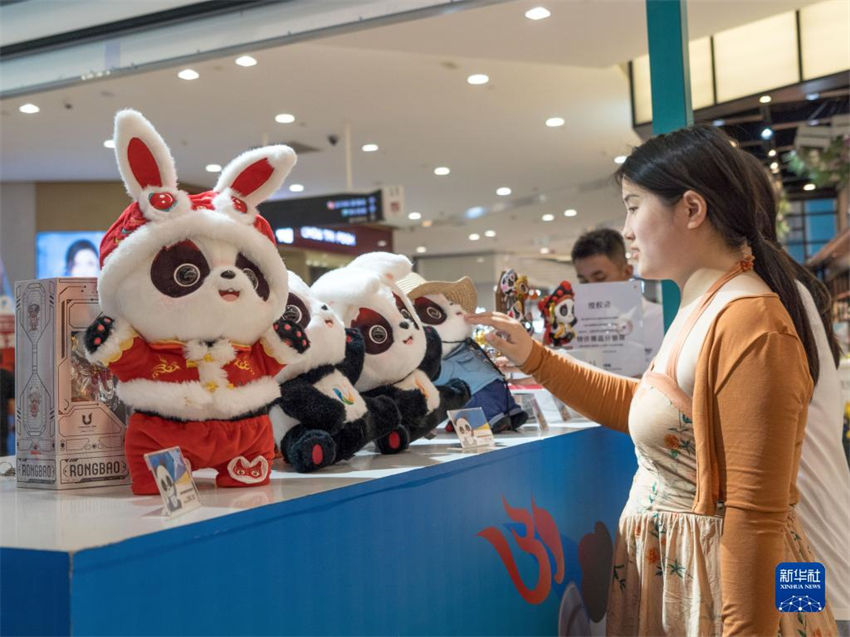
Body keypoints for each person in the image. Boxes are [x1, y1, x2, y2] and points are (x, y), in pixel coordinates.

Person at [469, 125, 836, 636]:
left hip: (728, 598)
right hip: (697, 582)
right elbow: (648, 407)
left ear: (691, 209)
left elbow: (758, 518)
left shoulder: (750, 321)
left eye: (634, 205)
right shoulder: (702, 303)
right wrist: (536, 358)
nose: (625, 228)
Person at [741, 149, 849, 634]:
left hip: (803, 544)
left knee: (806, 624)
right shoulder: (781, 285)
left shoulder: (767, 296)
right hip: (806, 536)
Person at [572, 228, 664, 364]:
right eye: (584, 281)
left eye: (600, 278)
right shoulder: (579, 328)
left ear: (627, 272)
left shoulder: (660, 319)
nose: (591, 288)